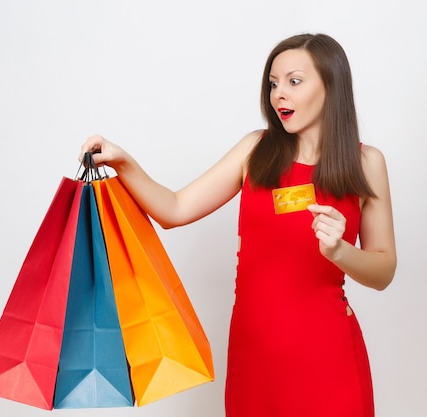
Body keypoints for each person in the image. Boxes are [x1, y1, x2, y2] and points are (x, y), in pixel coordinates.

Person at [79, 33, 396, 417]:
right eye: (273, 83)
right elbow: (174, 209)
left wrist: (341, 251)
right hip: (254, 359)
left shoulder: (366, 163)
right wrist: (122, 161)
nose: (280, 94)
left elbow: (383, 271)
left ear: (331, 85)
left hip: (328, 358)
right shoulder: (254, 150)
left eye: (294, 81)